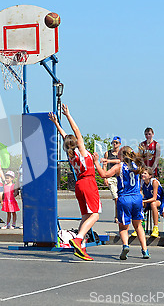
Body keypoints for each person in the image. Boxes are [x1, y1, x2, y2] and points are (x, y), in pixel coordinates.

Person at [49, 104, 101, 261]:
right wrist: (68, 115)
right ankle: (78, 239)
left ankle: (81, 248)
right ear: (77, 143)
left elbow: (65, 137)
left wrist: (57, 124)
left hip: (79, 184)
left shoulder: (70, 154)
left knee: (85, 216)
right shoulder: (81, 151)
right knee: (95, 215)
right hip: (88, 182)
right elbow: (77, 131)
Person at [94, 147, 150, 260]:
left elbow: (104, 175)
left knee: (123, 227)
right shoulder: (137, 166)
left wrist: (96, 162)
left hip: (125, 198)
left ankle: (125, 245)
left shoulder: (119, 167)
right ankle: (145, 250)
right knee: (138, 226)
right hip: (137, 198)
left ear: (122, 156)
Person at [101, 136, 121, 223]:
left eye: (116, 142)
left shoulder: (121, 153)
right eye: (113, 142)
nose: (114, 144)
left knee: (121, 198)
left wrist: (109, 161)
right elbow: (104, 165)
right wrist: (105, 177)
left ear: (119, 144)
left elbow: (120, 161)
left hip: (120, 177)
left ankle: (120, 215)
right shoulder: (107, 153)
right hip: (111, 178)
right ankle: (117, 217)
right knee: (116, 198)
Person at [140, 168, 163, 238]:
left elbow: (154, 198)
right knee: (138, 204)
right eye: (142, 173)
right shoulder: (142, 182)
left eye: (145, 173)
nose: (142, 175)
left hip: (159, 200)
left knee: (153, 204)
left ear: (150, 176)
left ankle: (155, 228)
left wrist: (144, 201)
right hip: (148, 200)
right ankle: (140, 226)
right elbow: (141, 194)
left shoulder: (154, 182)